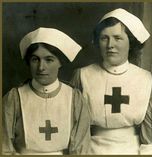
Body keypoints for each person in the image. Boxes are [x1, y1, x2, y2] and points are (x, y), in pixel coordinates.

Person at [70, 8, 152, 154]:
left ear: (130, 42)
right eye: (104, 38)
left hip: (135, 151)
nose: (110, 45)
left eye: (118, 38)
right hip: (90, 150)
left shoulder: (147, 79)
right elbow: (73, 125)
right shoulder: (82, 75)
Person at [2, 27, 91, 155]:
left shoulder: (75, 98)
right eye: (35, 59)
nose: (41, 67)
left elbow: (81, 149)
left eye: (49, 60)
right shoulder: (14, 98)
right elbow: (3, 148)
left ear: (60, 62)